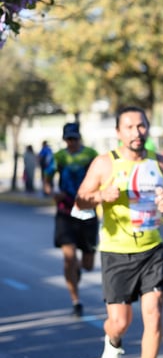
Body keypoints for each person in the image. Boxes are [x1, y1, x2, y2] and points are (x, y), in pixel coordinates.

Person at [75, 105, 163, 358]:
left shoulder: (160, 163)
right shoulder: (104, 164)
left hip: (151, 249)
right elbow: (80, 200)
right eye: (131, 127)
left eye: (142, 126)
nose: (137, 132)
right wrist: (99, 196)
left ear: (148, 128)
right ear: (119, 132)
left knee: (154, 313)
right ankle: (113, 341)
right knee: (120, 321)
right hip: (116, 252)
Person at [44, 123, 99, 316]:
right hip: (65, 212)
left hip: (88, 212)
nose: (72, 142)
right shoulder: (58, 157)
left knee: (88, 264)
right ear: (64, 139)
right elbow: (47, 180)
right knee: (69, 258)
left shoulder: (91, 155)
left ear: (79, 138)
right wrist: (52, 193)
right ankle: (76, 301)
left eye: (75, 138)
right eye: (68, 139)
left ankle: (78, 269)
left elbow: (103, 176)